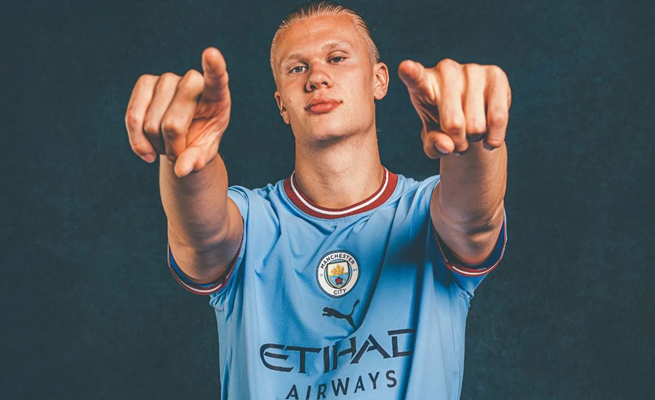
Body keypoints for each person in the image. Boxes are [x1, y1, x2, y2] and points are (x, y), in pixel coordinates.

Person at [124, 1, 510, 398]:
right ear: (282, 105)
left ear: (379, 80)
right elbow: (202, 238)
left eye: (337, 58)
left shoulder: (426, 213)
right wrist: (185, 155)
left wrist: (474, 138)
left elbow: (474, 221)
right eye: (297, 68)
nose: (317, 78)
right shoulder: (253, 222)